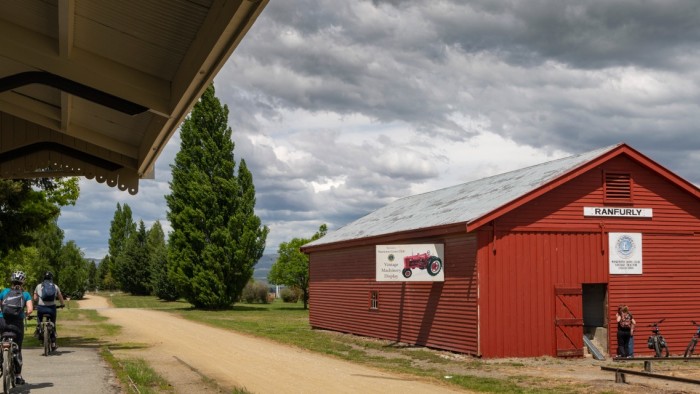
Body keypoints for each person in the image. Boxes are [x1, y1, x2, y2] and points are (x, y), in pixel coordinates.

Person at [0, 271, 34, 385]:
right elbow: (29, 310)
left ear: (11, 281)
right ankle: (18, 376)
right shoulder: (26, 294)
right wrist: (24, 315)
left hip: (2, 321)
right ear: (23, 282)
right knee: (17, 348)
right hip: (17, 324)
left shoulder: (4, 291)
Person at [33, 271, 66, 351]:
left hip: (41, 308)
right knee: (53, 323)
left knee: (39, 320)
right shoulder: (55, 286)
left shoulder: (38, 286)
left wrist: (35, 304)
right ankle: (53, 343)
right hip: (51, 308)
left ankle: (39, 331)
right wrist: (62, 304)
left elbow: (35, 298)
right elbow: (60, 296)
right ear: (51, 278)